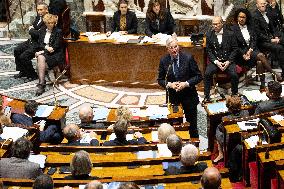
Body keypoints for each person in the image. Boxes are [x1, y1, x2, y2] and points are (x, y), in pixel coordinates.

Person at [157, 36, 202, 138]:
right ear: (167, 49)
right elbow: (160, 80)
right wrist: (170, 85)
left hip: (189, 96)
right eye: (171, 48)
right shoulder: (164, 61)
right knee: (176, 125)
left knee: (192, 126)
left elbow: (199, 76)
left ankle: (194, 146)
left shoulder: (188, 58)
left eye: (176, 46)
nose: (174, 50)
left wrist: (185, 83)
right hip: (174, 98)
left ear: (179, 46)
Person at [231, 8, 282, 89]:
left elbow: (254, 40)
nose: (241, 19)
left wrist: (250, 49)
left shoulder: (250, 27)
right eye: (240, 17)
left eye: (243, 17)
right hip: (241, 55)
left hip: (252, 51)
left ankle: (262, 85)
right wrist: (244, 54)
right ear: (237, 17)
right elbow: (235, 46)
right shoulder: (233, 29)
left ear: (246, 18)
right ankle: (274, 74)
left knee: (260, 62)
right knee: (261, 56)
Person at [203, 16, 238, 102]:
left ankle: (234, 94)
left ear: (222, 23)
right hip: (215, 61)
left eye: (217, 24)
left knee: (234, 75)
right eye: (213, 24)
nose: (215, 26)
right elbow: (209, 50)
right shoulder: (209, 34)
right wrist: (216, 62)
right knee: (207, 74)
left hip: (228, 60)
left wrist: (228, 61)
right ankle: (206, 96)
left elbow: (235, 49)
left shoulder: (230, 33)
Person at [13, 2, 48, 81]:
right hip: (31, 41)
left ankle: (32, 75)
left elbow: (38, 34)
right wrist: (33, 29)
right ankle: (23, 71)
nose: (39, 11)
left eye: (41, 10)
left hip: (38, 44)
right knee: (17, 50)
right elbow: (33, 26)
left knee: (24, 57)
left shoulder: (47, 19)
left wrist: (32, 29)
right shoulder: (38, 17)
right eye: (38, 10)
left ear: (46, 10)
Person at [33, 13, 65, 96]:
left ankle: (41, 84)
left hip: (56, 54)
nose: (50, 25)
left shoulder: (58, 31)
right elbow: (40, 44)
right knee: (40, 57)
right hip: (46, 53)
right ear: (45, 23)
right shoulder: (42, 30)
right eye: (48, 23)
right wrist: (45, 48)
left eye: (52, 23)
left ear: (54, 23)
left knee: (40, 57)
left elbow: (55, 48)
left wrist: (42, 51)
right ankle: (42, 82)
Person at [214, 95, 249, 164]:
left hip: (230, 139)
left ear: (229, 108)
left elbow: (221, 128)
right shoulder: (246, 112)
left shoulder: (226, 119)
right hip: (242, 136)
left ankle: (221, 154)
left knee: (218, 129)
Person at [253, 0, 284, 77]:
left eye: (264, 3)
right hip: (261, 42)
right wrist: (271, 40)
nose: (263, 5)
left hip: (270, 38)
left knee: (282, 40)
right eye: (261, 4)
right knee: (280, 48)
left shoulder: (267, 13)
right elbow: (258, 34)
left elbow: (272, 27)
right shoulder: (254, 16)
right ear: (257, 5)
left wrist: (275, 36)